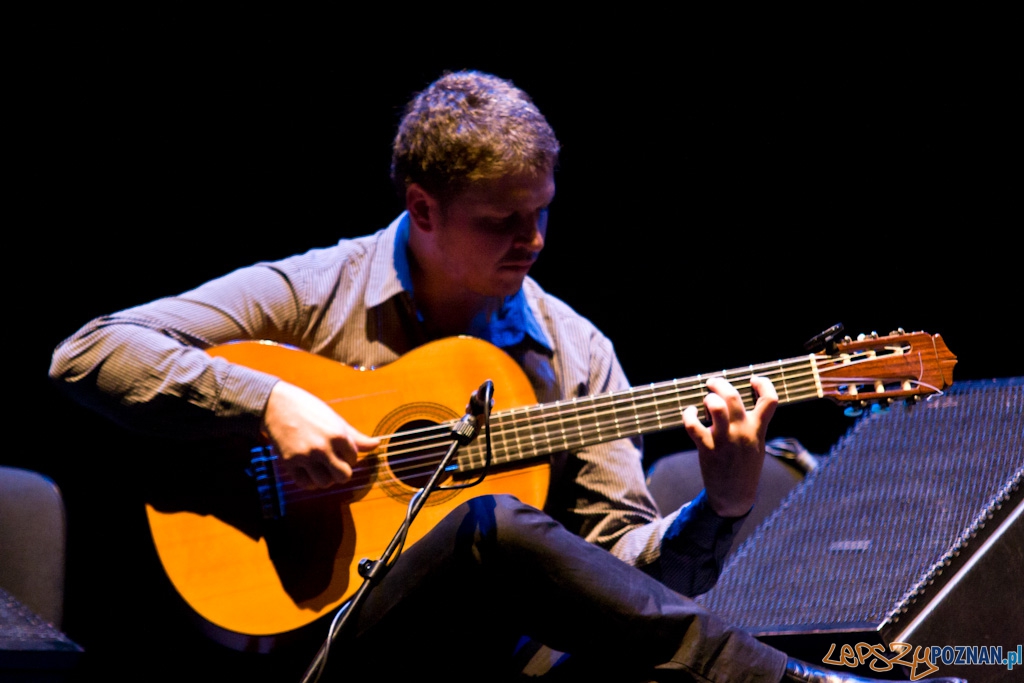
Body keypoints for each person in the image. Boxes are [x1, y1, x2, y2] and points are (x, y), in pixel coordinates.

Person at [49, 71, 965, 683]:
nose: (530, 241)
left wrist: (720, 506)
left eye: (542, 214)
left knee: (508, 547)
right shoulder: (315, 290)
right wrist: (275, 400)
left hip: (491, 662)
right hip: (311, 644)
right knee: (486, 522)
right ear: (425, 209)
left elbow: (624, 581)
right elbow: (88, 351)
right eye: (501, 220)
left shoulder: (574, 352)